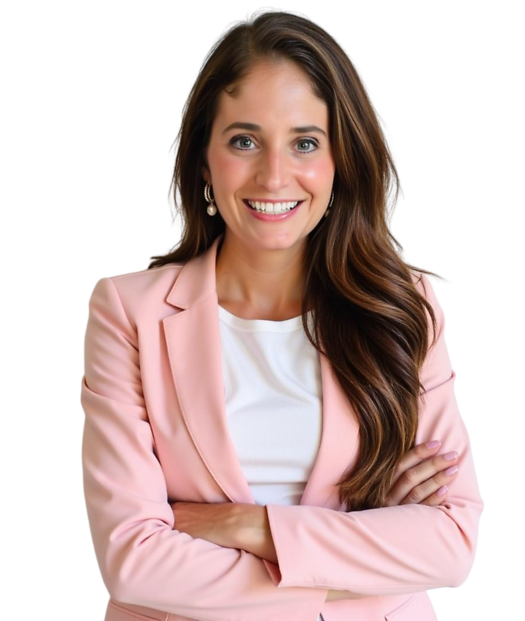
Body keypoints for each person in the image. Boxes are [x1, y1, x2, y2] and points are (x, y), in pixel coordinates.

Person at [79, 6, 484, 621]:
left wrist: (248, 526)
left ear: (340, 161)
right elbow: (132, 562)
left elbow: (452, 546)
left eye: (305, 143)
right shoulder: (127, 312)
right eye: (244, 141)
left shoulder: (404, 307)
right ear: (204, 159)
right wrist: (368, 557)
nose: (273, 176)